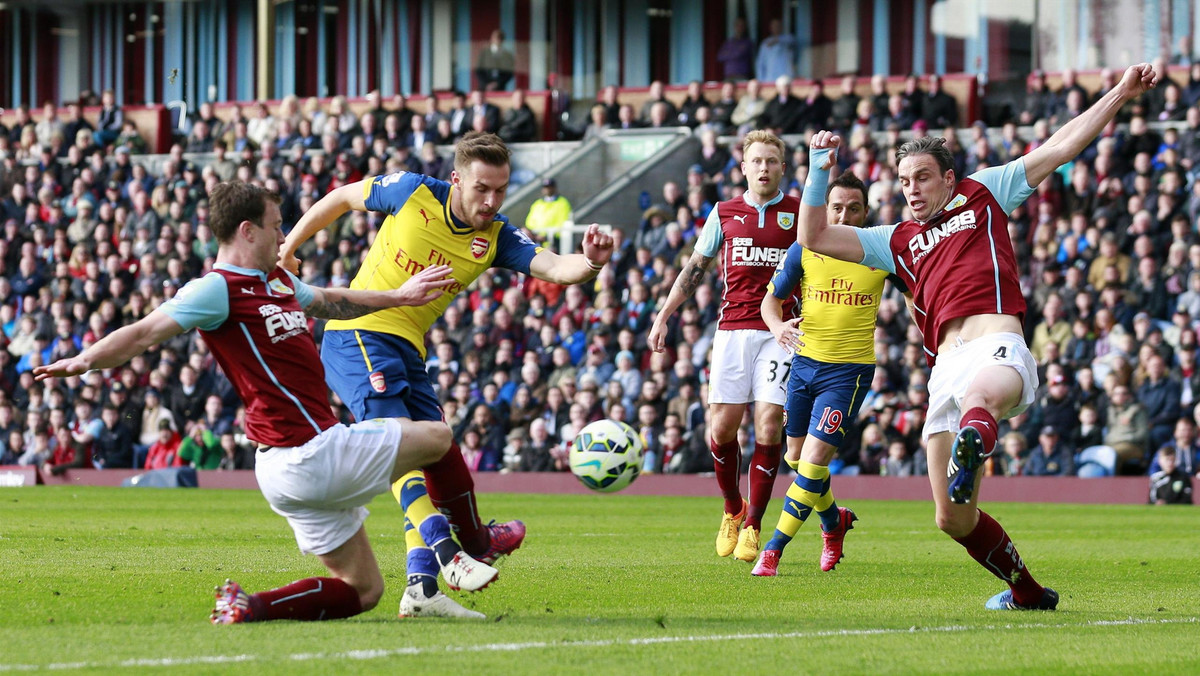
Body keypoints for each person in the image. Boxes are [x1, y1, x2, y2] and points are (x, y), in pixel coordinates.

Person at [35, 181, 499, 623]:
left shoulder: (276, 282)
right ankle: (474, 544)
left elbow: (333, 301)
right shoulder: (216, 288)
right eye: (277, 225)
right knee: (437, 436)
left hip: (289, 464)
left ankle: (247, 606)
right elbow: (144, 332)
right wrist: (85, 360)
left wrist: (397, 296)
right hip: (307, 454)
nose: (284, 234)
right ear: (247, 230)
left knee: (364, 591)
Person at [797, 64, 1159, 611]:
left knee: (979, 400)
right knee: (951, 517)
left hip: (996, 343)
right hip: (945, 367)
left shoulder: (983, 192)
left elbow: (1061, 146)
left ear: (948, 177)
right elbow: (815, 237)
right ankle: (1028, 592)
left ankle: (975, 435)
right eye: (902, 180)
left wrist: (1122, 93)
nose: (911, 189)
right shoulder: (892, 239)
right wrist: (818, 172)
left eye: (921, 177)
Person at [279, 132, 613, 568]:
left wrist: (590, 262)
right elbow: (342, 198)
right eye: (482, 189)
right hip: (357, 329)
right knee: (395, 438)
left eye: (500, 190)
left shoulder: (496, 237)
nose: (491, 201)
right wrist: (288, 247)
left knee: (436, 447)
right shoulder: (412, 191)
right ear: (456, 179)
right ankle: (446, 547)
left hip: (408, 348)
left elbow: (554, 267)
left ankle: (426, 581)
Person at [647, 130, 794, 563]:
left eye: (772, 160)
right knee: (721, 431)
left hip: (781, 331)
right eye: (757, 161)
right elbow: (695, 268)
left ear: (782, 167)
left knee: (768, 426)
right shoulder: (724, 212)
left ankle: (754, 526)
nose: (764, 168)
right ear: (743, 167)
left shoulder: (799, 213)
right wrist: (663, 315)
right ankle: (734, 508)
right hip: (732, 332)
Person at [752, 172, 908, 577]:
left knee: (813, 462)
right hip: (803, 366)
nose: (844, 214)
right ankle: (833, 523)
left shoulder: (881, 252)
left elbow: (919, 296)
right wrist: (777, 327)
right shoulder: (804, 248)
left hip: (849, 372)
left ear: (865, 212)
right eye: (836, 206)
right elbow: (772, 302)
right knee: (796, 457)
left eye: (853, 208)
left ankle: (773, 549)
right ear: (824, 209)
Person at [525, 177, 572, 247]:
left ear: (554, 188)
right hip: (537, 241)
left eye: (550, 187)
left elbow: (563, 221)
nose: (547, 189)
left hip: (555, 241)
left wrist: (549, 236)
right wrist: (536, 235)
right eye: (545, 187)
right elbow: (530, 222)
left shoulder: (563, 203)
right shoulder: (537, 203)